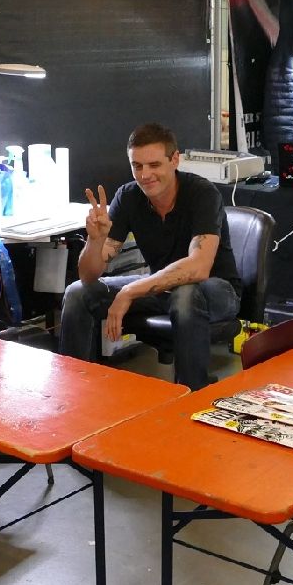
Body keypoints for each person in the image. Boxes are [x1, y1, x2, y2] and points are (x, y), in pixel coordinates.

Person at [58, 123, 241, 389]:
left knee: (186, 293)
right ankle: (76, 390)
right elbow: (88, 275)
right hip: (162, 288)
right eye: (137, 166)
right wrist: (95, 242)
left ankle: (192, 392)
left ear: (174, 160)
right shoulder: (128, 196)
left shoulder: (202, 193)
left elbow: (199, 267)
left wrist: (130, 292)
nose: (145, 175)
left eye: (154, 165)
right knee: (78, 292)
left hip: (216, 290)